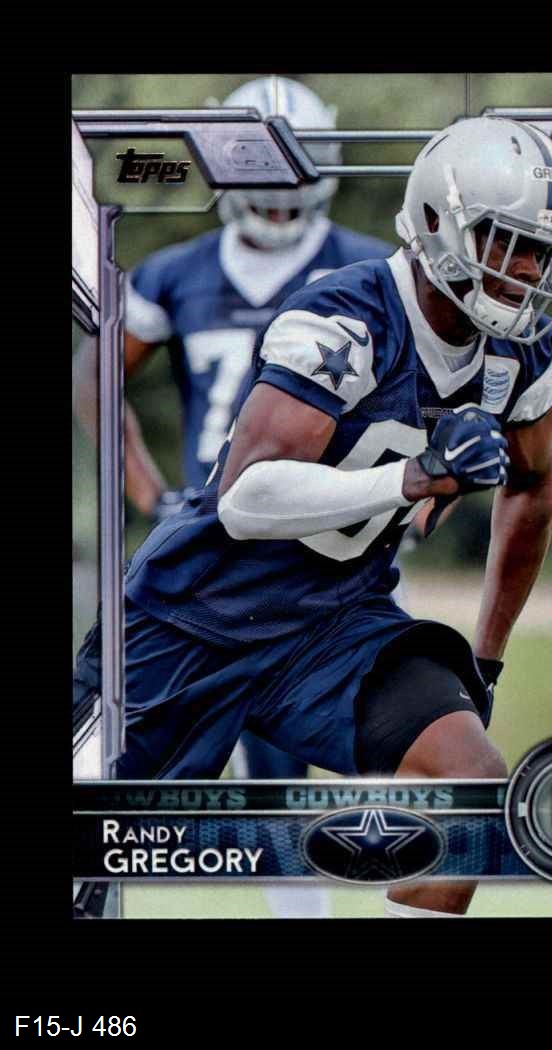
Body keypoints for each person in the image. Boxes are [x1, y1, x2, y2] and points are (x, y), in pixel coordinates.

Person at [74, 114, 552, 917]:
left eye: (541, 251)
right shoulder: (350, 313)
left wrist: (486, 659)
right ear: (435, 222)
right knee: (82, 850)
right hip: (195, 617)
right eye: (506, 240)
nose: (525, 270)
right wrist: (413, 477)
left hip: (334, 622)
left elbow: (533, 487)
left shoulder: (522, 353)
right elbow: (246, 498)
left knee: (469, 788)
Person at [72, 76, 392, 918]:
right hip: (207, 547)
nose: (278, 191)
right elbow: (96, 373)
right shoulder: (179, 273)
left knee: (293, 759)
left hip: (318, 552)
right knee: (134, 741)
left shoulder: (370, 270)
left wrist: (407, 495)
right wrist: (150, 494)